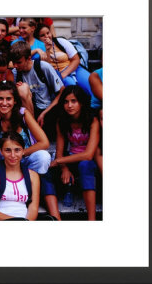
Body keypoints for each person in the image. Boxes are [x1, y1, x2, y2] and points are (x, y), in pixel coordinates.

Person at [41, 85, 100, 221]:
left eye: (74, 101)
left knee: (85, 165)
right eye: (66, 102)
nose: (69, 105)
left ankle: (92, 220)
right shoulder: (62, 121)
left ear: (81, 102)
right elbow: (60, 152)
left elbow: (88, 154)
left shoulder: (93, 120)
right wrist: (64, 168)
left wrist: (60, 161)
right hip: (70, 159)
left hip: (89, 163)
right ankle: (57, 218)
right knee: (45, 172)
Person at [0, 80, 51, 176]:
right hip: (4, 160)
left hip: (25, 158)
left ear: (14, 101)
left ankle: (34, 181)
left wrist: (21, 153)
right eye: (0, 99)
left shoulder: (23, 114)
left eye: (8, 99)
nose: (4, 103)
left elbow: (44, 143)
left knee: (43, 156)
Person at [10, 41, 64, 141]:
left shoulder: (43, 67)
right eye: (13, 63)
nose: (15, 66)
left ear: (29, 58)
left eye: (18, 62)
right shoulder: (15, 73)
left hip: (47, 110)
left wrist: (45, 113)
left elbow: (61, 92)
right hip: (29, 112)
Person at [0, 131, 40, 220]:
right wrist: (15, 222)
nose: (13, 155)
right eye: (8, 150)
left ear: (23, 151)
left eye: (17, 150)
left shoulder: (33, 176)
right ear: (1, 151)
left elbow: (33, 208)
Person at [35, 23, 92, 96]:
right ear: (38, 38)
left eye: (48, 33)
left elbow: (76, 59)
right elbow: (47, 66)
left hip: (73, 68)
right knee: (71, 85)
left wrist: (64, 74)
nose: (47, 36)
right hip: (57, 74)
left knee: (89, 82)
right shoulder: (39, 49)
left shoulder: (60, 41)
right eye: (42, 35)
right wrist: (48, 50)